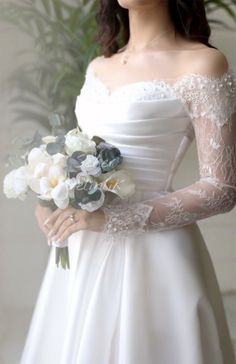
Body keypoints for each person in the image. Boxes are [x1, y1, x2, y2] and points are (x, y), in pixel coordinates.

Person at [21, 0, 236, 363]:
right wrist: (51, 197)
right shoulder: (98, 66)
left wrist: (115, 219)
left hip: (156, 253)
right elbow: (81, 152)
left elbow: (222, 189)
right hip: (83, 247)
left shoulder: (201, 63)